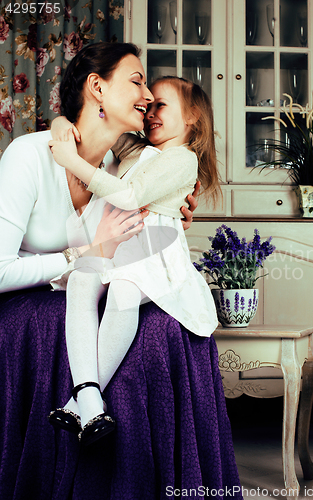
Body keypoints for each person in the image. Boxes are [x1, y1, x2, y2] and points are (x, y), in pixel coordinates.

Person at [0, 42, 242, 499]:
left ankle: (137, 465)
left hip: (110, 273)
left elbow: (145, 194)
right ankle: (84, 415)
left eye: (151, 89)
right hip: (35, 294)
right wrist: (88, 251)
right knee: (123, 314)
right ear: (97, 87)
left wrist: (167, 212)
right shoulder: (30, 156)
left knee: (160, 329)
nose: (147, 95)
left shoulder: (124, 162)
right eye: (136, 81)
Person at [47, 75, 222, 446]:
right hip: (117, 241)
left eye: (162, 105)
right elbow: (95, 126)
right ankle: (89, 398)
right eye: (149, 104)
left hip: (153, 251)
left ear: (192, 117)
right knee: (80, 279)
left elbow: (129, 194)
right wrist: (62, 124)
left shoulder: (183, 158)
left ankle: (79, 402)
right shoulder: (135, 146)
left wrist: (70, 161)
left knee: (125, 289)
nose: (151, 111)